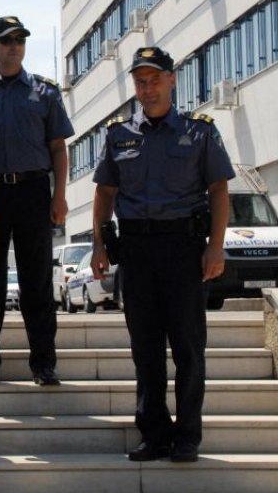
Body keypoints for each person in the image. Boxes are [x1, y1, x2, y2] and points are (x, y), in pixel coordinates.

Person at [91, 46, 234, 463]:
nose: (147, 87)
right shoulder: (118, 134)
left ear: (172, 80)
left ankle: (187, 436)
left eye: (154, 79)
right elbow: (104, 192)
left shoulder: (201, 130)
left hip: (183, 248)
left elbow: (219, 190)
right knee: (146, 348)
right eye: (140, 80)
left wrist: (216, 245)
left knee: (188, 346)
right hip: (135, 249)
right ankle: (153, 434)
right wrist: (100, 243)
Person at [0, 15, 74, 387]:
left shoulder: (45, 92)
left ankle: (43, 363)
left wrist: (59, 195)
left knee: (36, 282)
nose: (14, 47)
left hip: (33, 193)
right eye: (6, 41)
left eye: (20, 40)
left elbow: (58, 147)